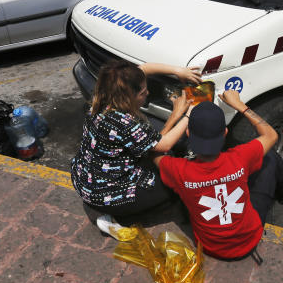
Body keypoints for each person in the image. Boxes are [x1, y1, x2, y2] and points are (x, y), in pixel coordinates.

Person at [154, 90, 283, 260]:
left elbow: (155, 150)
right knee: (269, 157)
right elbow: (271, 135)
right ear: (225, 133)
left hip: (210, 247)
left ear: (189, 134)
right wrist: (239, 104)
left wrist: (177, 116)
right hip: (249, 240)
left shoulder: (178, 170)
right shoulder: (240, 157)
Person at [70, 59, 201, 219]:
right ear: (127, 97)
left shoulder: (104, 95)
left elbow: (144, 69)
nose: (148, 94)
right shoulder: (123, 123)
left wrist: (178, 70)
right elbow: (164, 145)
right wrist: (189, 113)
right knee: (176, 182)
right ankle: (116, 218)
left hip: (84, 179)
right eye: (142, 93)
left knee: (153, 154)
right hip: (106, 196)